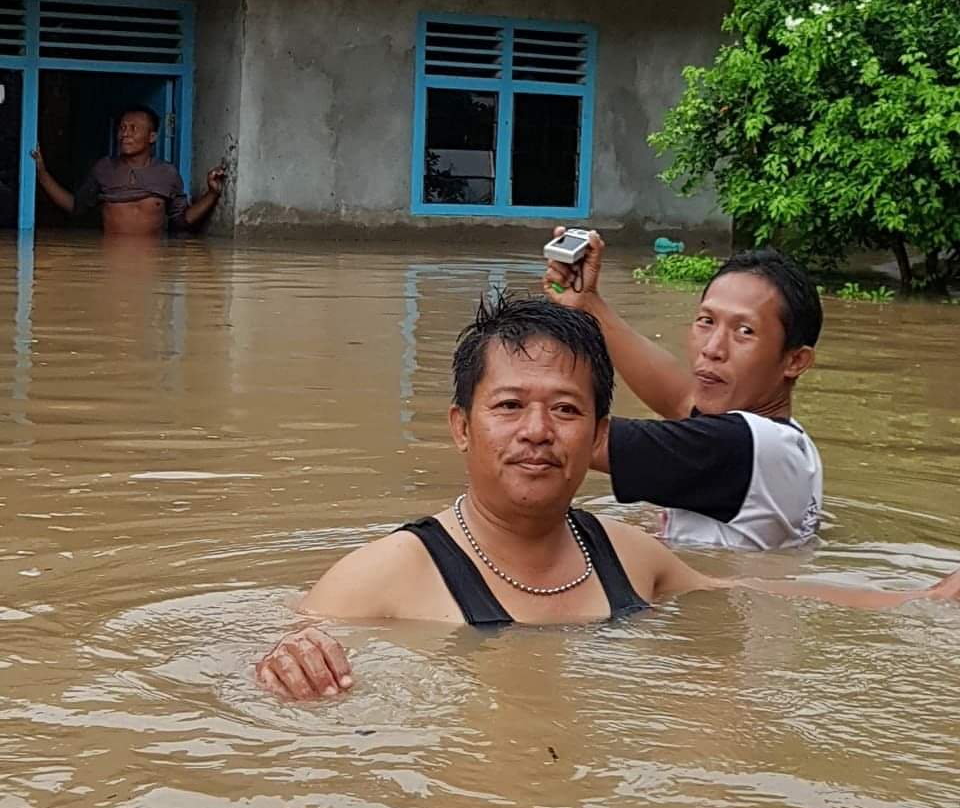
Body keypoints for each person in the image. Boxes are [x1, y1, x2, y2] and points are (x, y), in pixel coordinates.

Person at [255, 296, 959, 701]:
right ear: (461, 428)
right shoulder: (384, 576)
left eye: (565, 410)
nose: (536, 432)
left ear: (595, 433)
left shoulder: (627, 555)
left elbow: (752, 593)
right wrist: (283, 660)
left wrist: (919, 601)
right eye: (508, 405)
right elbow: (267, 649)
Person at [543, 234, 824, 550]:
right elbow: (679, 399)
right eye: (706, 321)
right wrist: (589, 304)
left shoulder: (738, 445)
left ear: (795, 360)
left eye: (745, 331)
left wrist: (498, 411)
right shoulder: (790, 444)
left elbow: (573, 440)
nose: (713, 349)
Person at [32, 108, 225, 237]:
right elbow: (75, 207)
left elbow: (182, 220)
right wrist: (42, 174)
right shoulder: (104, 168)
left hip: (152, 264)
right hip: (110, 260)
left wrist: (212, 193)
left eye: (133, 129)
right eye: (122, 128)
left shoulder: (167, 173)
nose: (125, 134)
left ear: (152, 137)